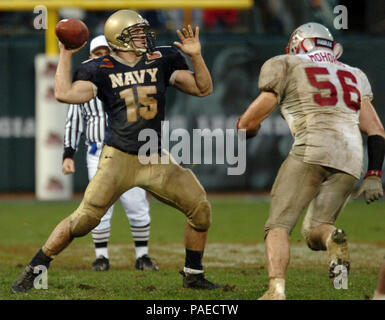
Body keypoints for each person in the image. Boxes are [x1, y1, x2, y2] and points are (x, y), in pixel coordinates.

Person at [12, 9, 219, 292]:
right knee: (83, 221)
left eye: (143, 31)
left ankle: (193, 274)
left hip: (154, 154)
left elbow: (203, 88)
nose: (143, 37)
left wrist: (196, 55)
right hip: (117, 157)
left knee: (201, 210)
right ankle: (36, 267)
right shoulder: (99, 67)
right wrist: (64, 53)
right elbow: (64, 94)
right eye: (135, 33)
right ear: (118, 38)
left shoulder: (163, 58)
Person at [237, 22, 385, 299]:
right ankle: (333, 240)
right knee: (315, 230)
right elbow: (376, 129)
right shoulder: (354, 73)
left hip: (312, 148)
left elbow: (248, 123)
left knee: (278, 225)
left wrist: (247, 128)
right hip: (352, 157)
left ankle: (275, 290)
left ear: (299, 44)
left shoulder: (286, 64)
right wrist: (375, 173)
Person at [62, 35, 158, 272]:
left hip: (129, 151)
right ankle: (101, 257)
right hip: (98, 152)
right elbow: (74, 121)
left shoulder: (129, 77)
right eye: (98, 53)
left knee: (137, 203)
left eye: (107, 52)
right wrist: (68, 154)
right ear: (90, 56)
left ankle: (143, 256)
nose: (102, 56)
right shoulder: (84, 82)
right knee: (98, 205)